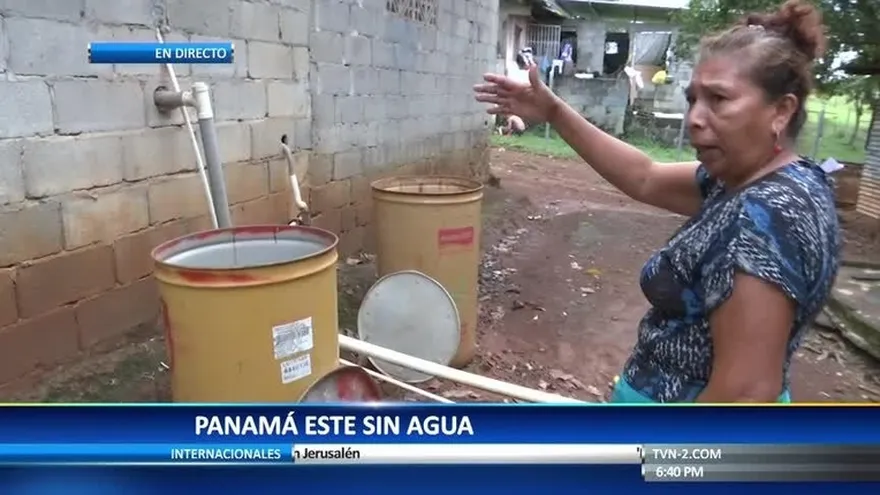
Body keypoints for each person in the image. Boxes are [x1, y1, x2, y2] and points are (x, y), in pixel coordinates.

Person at [474, 0, 841, 403]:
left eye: (719, 99)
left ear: (781, 111)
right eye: (694, 99)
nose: (695, 118)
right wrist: (555, 111)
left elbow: (745, 395)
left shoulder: (767, 213)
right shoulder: (756, 181)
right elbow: (644, 176)